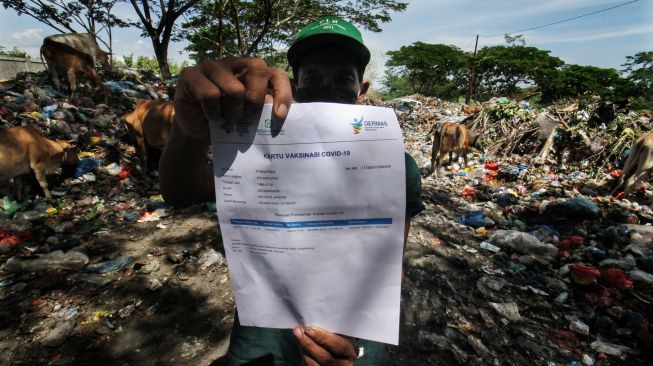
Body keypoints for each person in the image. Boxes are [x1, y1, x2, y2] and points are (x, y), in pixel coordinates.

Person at [159, 16, 424, 366]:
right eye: (313, 77)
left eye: (343, 78)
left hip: (349, 335)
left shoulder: (395, 162)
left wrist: (353, 332)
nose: (327, 86)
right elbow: (181, 192)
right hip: (263, 335)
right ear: (296, 87)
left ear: (363, 89)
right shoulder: (260, 147)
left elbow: (392, 264)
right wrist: (188, 130)